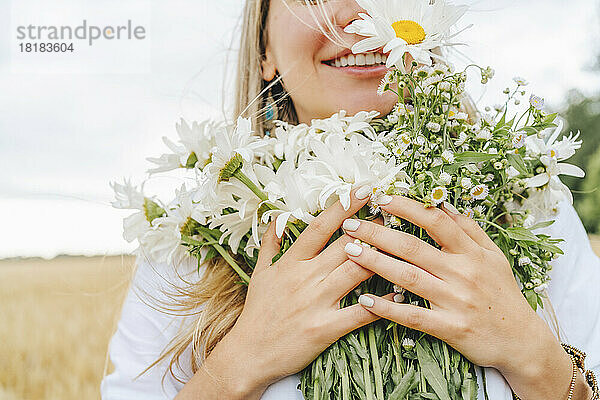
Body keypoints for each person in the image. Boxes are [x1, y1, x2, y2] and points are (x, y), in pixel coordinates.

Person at [101, 1, 600, 399]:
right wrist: (238, 366)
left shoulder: (532, 212)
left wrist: (538, 362)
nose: (359, 15)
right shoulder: (193, 240)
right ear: (264, 49)